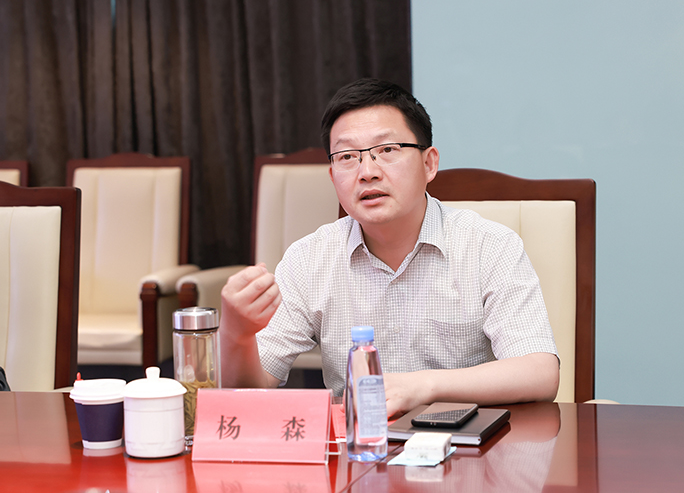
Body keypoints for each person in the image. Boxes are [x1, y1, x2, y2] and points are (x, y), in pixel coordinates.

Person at [220, 78, 559, 417]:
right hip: (357, 443)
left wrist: (421, 387)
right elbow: (247, 391)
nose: (367, 172)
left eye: (387, 150)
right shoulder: (308, 259)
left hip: (468, 441)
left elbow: (539, 373)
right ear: (333, 176)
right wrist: (237, 334)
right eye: (347, 156)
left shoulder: (490, 246)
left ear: (429, 164)